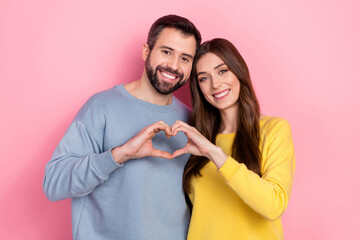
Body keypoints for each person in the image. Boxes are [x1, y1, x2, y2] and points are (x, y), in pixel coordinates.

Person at [43, 15, 201, 240]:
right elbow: (53, 183)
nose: (174, 65)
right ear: (147, 51)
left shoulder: (191, 123)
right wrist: (119, 155)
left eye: (185, 58)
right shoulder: (101, 107)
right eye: (166, 52)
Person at [170, 38, 295, 239]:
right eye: (204, 78)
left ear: (238, 71)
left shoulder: (274, 129)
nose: (215, 84)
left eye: (222, 71)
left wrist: (215, 154)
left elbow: (273, 206)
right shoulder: (195, 139)